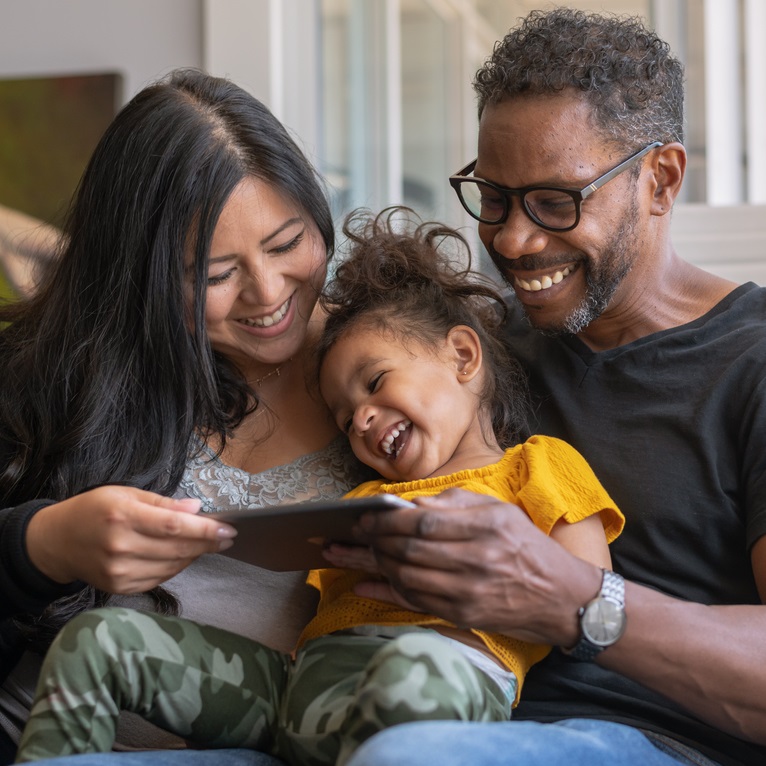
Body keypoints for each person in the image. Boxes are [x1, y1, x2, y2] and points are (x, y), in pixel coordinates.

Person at [14, 208, 624, 765]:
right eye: (342, 414)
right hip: (300, 689)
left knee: (410, 677)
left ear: (463, 356)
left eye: (376, 380)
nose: (359, 417)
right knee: (98, 639)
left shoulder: (536, 466)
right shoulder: (357, 502)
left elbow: (586, 594)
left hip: (438, 674)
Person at [328, 9, 766, 766]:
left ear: (659, 179)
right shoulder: (470, 358)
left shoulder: (751, 362)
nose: (512, 240)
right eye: (494, 198)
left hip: (654, 744)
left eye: (556, 201)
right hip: (421, 708)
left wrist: (575, 600)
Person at [0, 68, 374, 765]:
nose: (268, 294)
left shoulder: (392, 367)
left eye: (288, 242)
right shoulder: (49, 374)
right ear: (138, 277)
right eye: (212, 275)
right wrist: (42, 545)